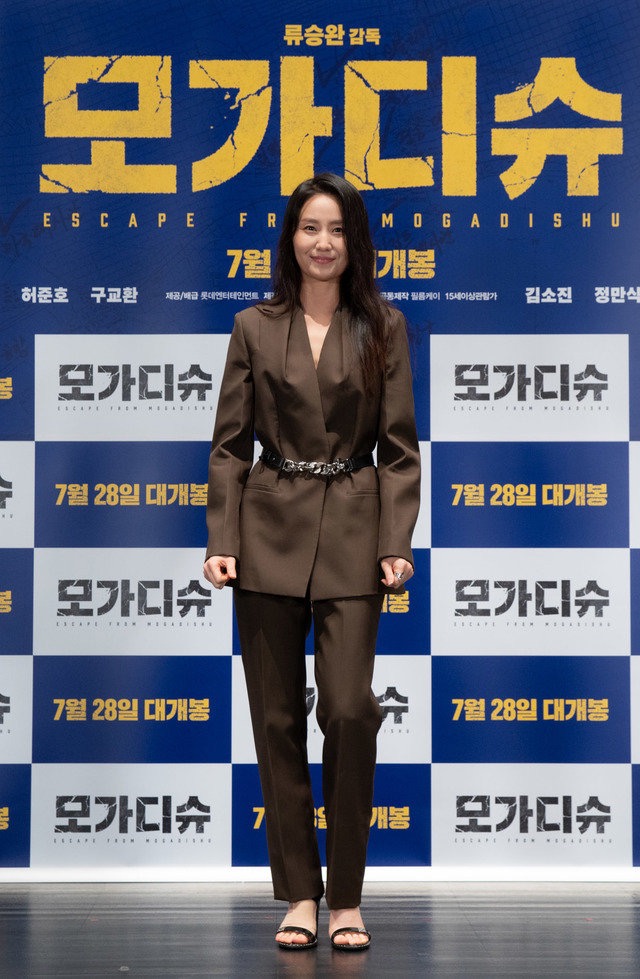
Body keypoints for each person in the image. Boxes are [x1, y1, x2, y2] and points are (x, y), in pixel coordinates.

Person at [203, 173, 420, 952]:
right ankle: (301, 892)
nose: (322, 242)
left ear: (354, 242)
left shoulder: (384, 326)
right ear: (290, 239)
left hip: (356, 532)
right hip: (266, 532)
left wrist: (395, 542)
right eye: (309, 228)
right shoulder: (253, 327)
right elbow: (230, 447)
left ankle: (347, 897)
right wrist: (222, 540)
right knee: (274, 718)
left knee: (350, 708)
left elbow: (399, 450)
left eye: (336, 229)